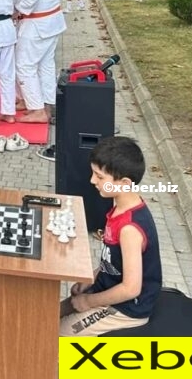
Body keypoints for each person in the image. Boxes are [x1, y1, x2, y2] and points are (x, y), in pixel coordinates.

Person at [60, 136, 162, 336]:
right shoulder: (120, 208)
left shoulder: (130, 228)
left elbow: (131, 289)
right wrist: (91, 278)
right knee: (48, 314)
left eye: (100, 177)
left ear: (124, 183)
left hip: (126, 309)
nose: (92, 181)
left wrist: (88, 301)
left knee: (57, 334)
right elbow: (113, 262)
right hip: (105, 289)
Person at [6, 0, 67, 127]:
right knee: (45, 66)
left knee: (24, 65)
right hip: (52, 21)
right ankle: (46, 106)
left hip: (37, 23)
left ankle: (37, 109)